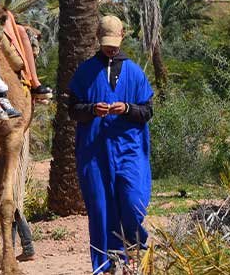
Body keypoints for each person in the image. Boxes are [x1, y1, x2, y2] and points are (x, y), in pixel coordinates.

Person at [67, 16, 153, 274]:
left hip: (129, 150)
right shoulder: (85, 72)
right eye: (106, 44)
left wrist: (126, 108)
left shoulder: (135, 73)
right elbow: (73, 110)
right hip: (95, 152)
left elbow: (147, 111)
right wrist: (92, 109)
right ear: (98, 38)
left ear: (123, 36)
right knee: (100, 207)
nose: (111, 48)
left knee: (132, 200)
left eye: (114, 43)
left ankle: (132, 246)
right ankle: (107, 264)